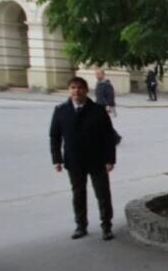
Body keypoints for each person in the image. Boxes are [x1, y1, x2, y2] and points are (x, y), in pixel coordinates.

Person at [50, 76, 119, 241]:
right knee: (78, 194)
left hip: (97, 160)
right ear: (69, 90)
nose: (76, 91)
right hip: (74, 161)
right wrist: (56, 159)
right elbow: (55, 137)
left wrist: (110, 159)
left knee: (102, 194)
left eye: (80, 88)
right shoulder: (61, 110)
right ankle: (81, 225)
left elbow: (108, 136)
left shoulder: (98, 110)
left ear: (86, 90)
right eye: (73, 88)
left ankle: (106, 226)